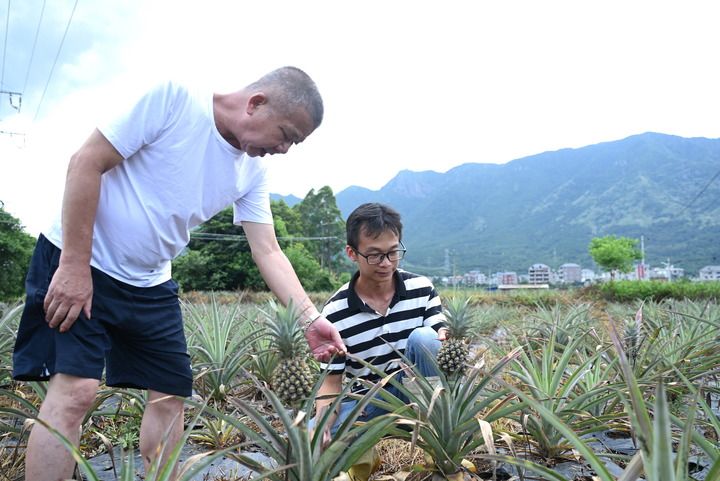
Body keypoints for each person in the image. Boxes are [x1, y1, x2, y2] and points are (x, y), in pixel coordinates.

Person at [12, 66, 346, 481]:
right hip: (80, 259)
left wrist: (310, 318)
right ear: (256, 103)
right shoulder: (175, 100)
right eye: (286, 135)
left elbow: (268, 250)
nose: (284, 149)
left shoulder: (252, 171)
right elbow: (86, 162)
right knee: (76, 392)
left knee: (170, 394)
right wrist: (75, 266)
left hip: (150, 281)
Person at [313, 202, 447, 446]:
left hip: (422, 395)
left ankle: (434, 424)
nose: (386, 263)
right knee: (307, 438)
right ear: (352, 253)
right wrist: (322, 425)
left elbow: (440, 341)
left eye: (393, 252)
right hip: (370, 405)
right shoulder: (334, 313)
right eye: (374, 255)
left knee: (425, 337)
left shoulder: (422, 288)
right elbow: (331, 383)